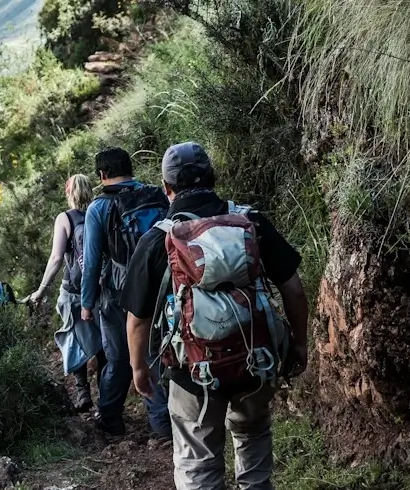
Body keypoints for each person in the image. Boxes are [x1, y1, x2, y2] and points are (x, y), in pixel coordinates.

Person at [121, 142, 309, 490]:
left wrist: (138, 368)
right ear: (214, 176)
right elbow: (294, 289)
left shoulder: (158, 240)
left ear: (167, 188)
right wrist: (299, 344)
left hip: (193, 372)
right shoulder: (251, 223)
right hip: (258, 361)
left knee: (198, 464)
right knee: (253, 439)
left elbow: (138, 320)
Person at [80, 147, 171, 437]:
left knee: (119, 358)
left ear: (102, 175)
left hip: (118, 293)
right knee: (156, 353)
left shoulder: (99, 207)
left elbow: (92, 261)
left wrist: (86, 302)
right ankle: (164, 425)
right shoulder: (156, 195)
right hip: (162, 287)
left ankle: (111, 421)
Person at [30, 174, 106, 412]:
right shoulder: (99, 213)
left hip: (72, 290)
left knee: (74, 339)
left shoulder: (65, 218)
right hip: (100, 289)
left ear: (68, 192)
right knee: (103, 343)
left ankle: (83, 391)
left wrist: (41, 290)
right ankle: (106, 396)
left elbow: (56, 258)